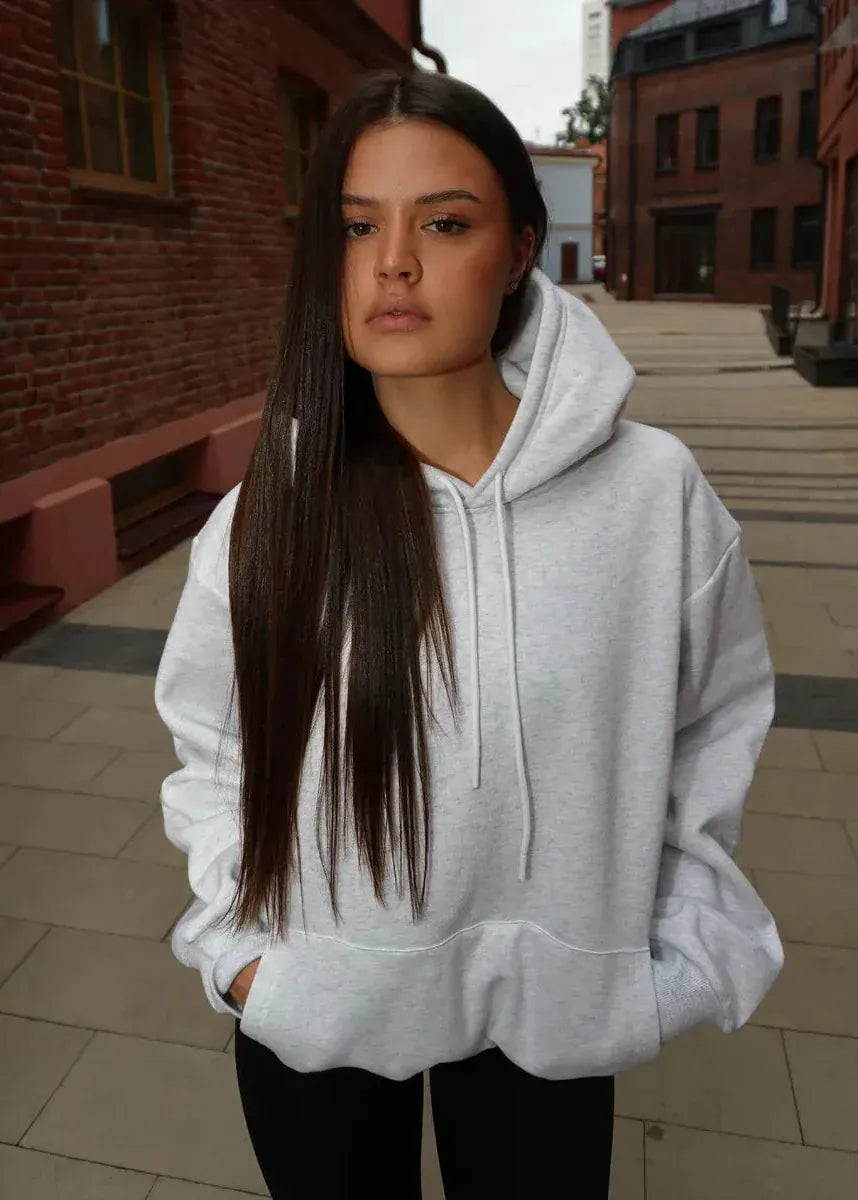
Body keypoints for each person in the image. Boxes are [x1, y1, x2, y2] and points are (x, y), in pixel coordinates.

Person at [154, 68, 783, 1200]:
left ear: (520, 249)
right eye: (357, 227)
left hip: (553, 1019)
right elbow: (210, 745)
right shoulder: (274, 509)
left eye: (444, 222)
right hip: (321, 1009)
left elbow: (716, 723)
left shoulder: (652, 497)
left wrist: (673, 957)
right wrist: (246, 962)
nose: (393, 261)